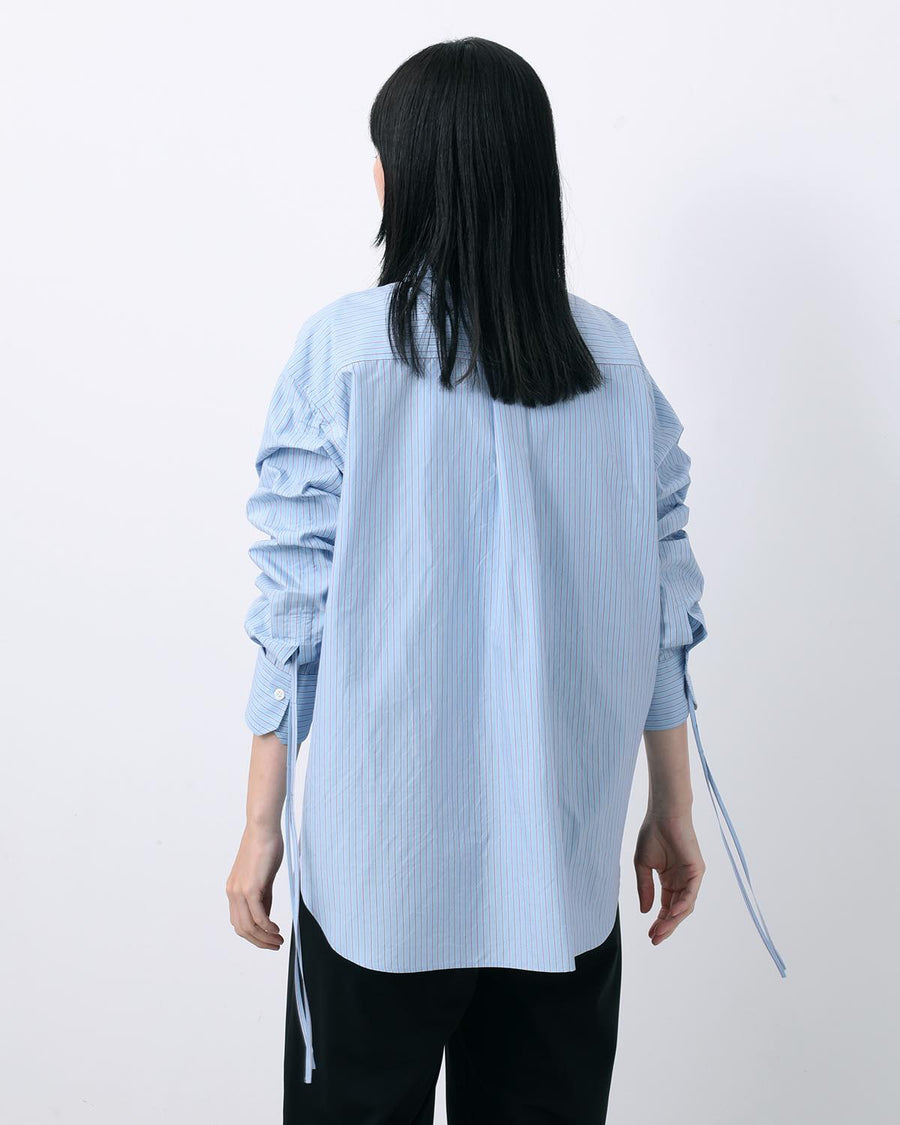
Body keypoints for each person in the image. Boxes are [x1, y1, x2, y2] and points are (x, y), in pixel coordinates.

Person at [225, 36, 786, 1125]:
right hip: (558, 878)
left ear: (400, 178)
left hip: (379, 885)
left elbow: (292, 613)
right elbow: (663, 606)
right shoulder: (612, 360)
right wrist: (672, 807)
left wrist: (261, 825)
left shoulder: (344, 352)